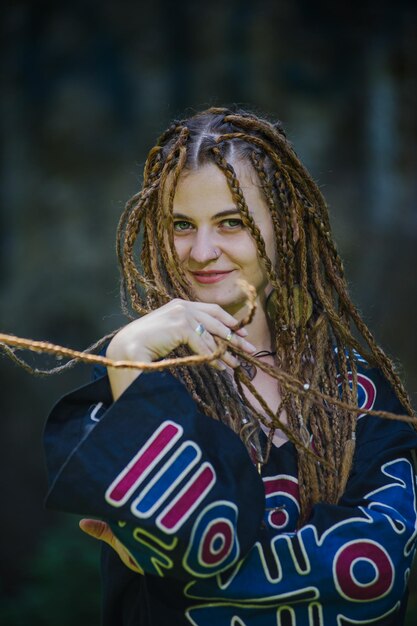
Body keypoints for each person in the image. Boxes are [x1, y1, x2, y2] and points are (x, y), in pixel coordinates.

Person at [43, 106, 417, 626]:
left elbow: (372, 574)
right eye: (181, 225)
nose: (201, 251)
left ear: (283, 229)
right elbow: (190, 546)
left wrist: (193, 562)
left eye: (231, 222)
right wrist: (127, 356)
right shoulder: (126, 378)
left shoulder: (358, 395)